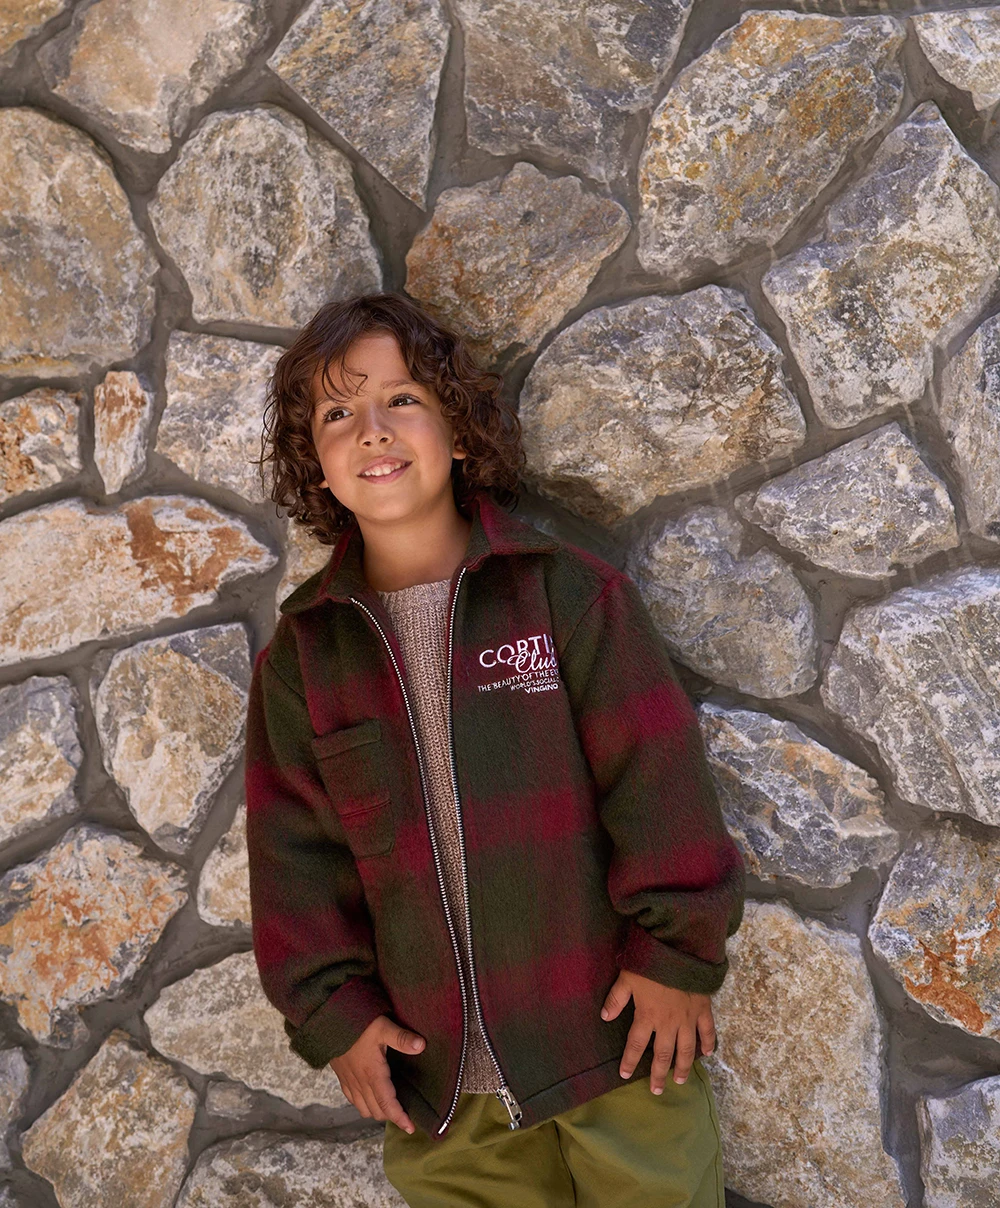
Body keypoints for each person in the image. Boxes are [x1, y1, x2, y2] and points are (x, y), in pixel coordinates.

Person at [245, 290, 746, 1207]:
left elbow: (656, 781)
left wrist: (677, 958)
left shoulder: (566, 597)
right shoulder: (303, 659)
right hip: (439, 1093)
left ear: (460, 432)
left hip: (615, 1046)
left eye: (402, 399)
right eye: (336, 414)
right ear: (315, 465)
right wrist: (333, 1016)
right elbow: (294, 859)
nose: (372, 428)